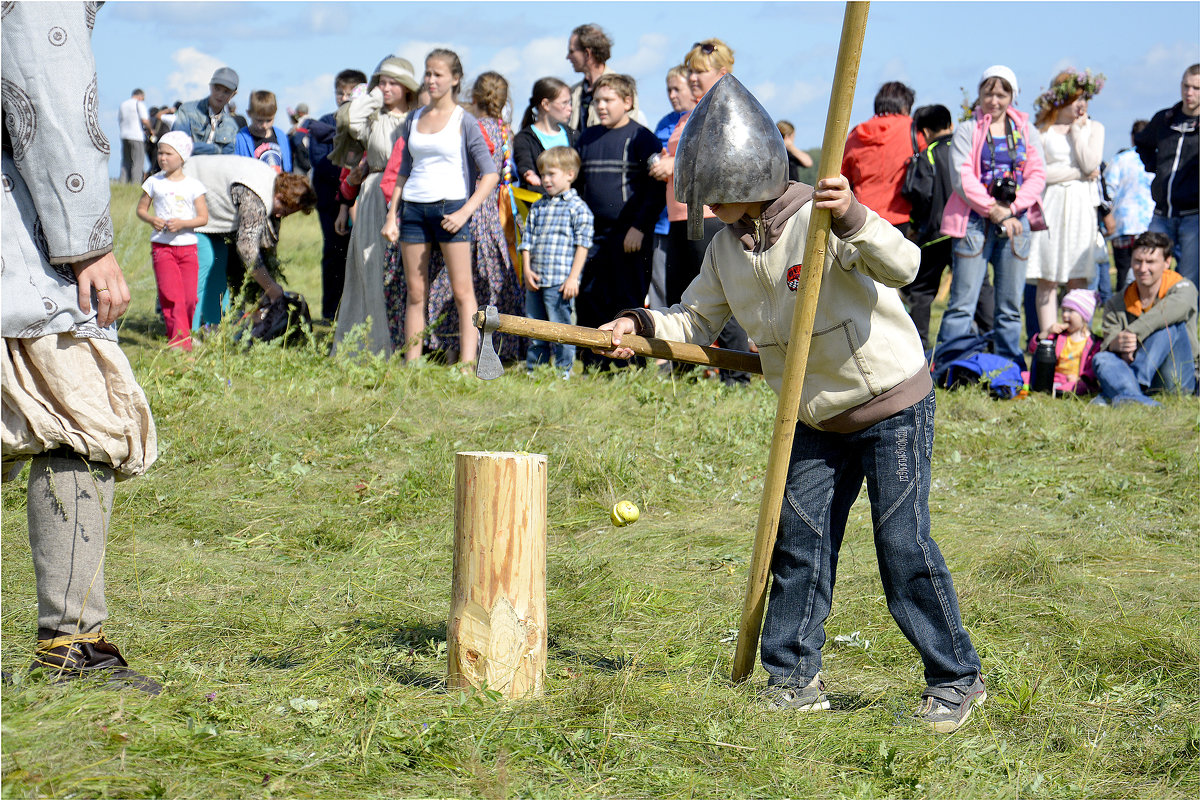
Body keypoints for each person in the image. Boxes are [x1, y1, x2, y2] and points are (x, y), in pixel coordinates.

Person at [598, 75, 985, 734]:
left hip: (889, 402)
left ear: (748, 182)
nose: (711, 210)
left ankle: (954, 677)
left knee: (901, 543)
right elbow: (693, 319)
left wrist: (856, 217)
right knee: (797, 544)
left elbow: (905, 265)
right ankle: (792, 677)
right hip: (810, 416)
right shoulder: (726, 249)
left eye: (717, 197)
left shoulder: (820, 216)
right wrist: (640, 326)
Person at [2, 0, 160, 694]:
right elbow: (47, 86)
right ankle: (71, 645)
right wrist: (88, 243)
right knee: (84, 419)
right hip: (18, 225)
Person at [381, 49, 498, 366]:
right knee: (415, 294)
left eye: (438, 74)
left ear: (455, 79)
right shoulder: (413, 118)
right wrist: (392, 215)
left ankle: (467, 364)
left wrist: (465, 212)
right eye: (427, 73)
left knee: (463, 292)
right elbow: (403, 170)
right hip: (413, 212)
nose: (430, 80)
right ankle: (412, 365)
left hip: (451, 210)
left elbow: (490, 173)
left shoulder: (466, 121)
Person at [650, 39, 751, 384]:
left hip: (709, 218)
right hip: (680, 217)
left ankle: (736, 375)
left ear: (721, 73)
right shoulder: (693, 112)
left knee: (723, 294)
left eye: (699, 71)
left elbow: (722, 162)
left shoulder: (722, 110)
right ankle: (684, 371)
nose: (692, 77)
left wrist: (673, 167)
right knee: (683, 297)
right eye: (690, 70)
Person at [935, 65, 1047, 369]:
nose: (994, 100)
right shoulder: (967, 130)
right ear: (979, 94)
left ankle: (1009, 367)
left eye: (1001, 94)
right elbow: (962, 176)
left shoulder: (1026, 130)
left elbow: (1038, 175)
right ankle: (948, 366)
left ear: (1012, 96)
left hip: (1015, 220)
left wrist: (1011, 209)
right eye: (988, 93)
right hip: (973, 220)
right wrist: (994, 210)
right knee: (962, 302)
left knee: (1010, 305)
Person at [424, 71, 524, 361]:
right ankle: (497, 347)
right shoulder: (505, 131)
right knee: (492, 281)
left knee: (456, 282)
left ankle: (455, 348)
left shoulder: (471, 127)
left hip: (468, 207)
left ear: (475, 97)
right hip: (494, 213)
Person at [575, 73, 664, 370]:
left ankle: (632, 366)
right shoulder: (586, 138)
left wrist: (639, 227)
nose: (601, 106)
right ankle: (592, 362)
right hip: (592, 236)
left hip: (629, 236)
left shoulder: (642, 138)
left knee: (627, 300)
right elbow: (576, 186)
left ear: (627, 102)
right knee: (589, 297)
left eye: (608, 100)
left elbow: (656, 189)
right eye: (597, 100)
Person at [332, 56, 418, 356]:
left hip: (413, 196)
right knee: (372, 268)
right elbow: (350, 119)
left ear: (408, 86)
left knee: (407, 274)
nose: (387, 87)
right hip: (375, 194)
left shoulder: (418, 118)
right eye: (382, 81)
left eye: (393, 82)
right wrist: (375, 96)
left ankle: (409, 344)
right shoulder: (373, 119)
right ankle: (373, 346)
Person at [900, 104, 995, 349]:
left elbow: (921, 195)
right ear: (951, 125)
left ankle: (920, 346)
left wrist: (914, 226)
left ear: (925, 132)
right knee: (979, 284)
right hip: (967, 229)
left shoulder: (929, 153)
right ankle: (990, 337)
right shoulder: (966, 148)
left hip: (935, 234)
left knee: (921, 290)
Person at [183, 155, 317, 325]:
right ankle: (186, 333)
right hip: (184, 195)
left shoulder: (271, 182)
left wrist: (264, 290)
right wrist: (271, 288)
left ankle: (215, 328)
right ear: (281, 197)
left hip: (209, 216)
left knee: (219, 260)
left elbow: (264, 245)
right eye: (284, 210)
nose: (278, 215)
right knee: (206, 262)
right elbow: (247, 248)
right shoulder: (257, 196)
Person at [1026, 69, 1106, 333]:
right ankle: (1048, 335)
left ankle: (1078, 337)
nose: (1081, 104)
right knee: (1047, 278)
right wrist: (1080, 174)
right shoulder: (1042, 132)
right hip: (1051, 206)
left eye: (1085, 98)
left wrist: (1077, 132)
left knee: (1078, 276)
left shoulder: (1094, 128)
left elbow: (1090, 162)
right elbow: (1041, 173)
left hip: (1081, 207)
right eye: (1075, 98)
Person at [1093, 231, 1197, 406]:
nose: (1142, 269)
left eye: (1150, 262)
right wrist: (1115, 344)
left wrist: (1132, 332)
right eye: (1138, 261)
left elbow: (1172, 310)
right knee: (1101, 359)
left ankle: (1126, 391)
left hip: (1177, 377)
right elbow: (1110, 343)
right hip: (1133, 374)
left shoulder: (1183, 288)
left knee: (1167, 325)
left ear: (1166, 262)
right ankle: (1139, 399)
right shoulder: (1116, 302)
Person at [520, 146, 594, 376]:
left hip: (560, 282)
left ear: (570, 174)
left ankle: (564, 372)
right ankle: (536, 371)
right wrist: (526, 270)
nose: (546, 179)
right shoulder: (538, 206)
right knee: (535, 328)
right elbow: (527, 241)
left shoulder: (578, 208)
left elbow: (583, 245)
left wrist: (574, 278)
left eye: (552, 174)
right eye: (543, 175)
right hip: (536, 278)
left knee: (562, 330)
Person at [135, 131, 209, 350]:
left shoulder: (194, 185)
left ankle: (183, 335)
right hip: (162, 247)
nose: (162, 158)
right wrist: (151, 219)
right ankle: (180, 342)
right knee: (170, 295)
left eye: (168, 153)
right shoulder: (153, 182)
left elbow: (203, 218)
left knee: (188, 299)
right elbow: (141, 210)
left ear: (182, 157)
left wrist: (183, 224)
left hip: (187, 248)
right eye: (160, 153)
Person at [307, 69, 367, 321]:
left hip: (363, 199)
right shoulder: (323, 124)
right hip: (331, 200)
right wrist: (350, 168)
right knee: (334, 252)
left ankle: (359, 311)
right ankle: (331, 311)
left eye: (349, 92)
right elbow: (322, 164)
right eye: (339, 92)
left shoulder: (367, 122)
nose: (343, 97)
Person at [1135, 64, 1199, 289]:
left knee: (1190, 279)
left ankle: (1188, 323)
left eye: (1196, 88)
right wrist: (1156, 166)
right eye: (1186, 86)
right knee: (1149, 269)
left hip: (1194, 215)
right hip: (1161, 212)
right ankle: (1154, 320)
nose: (1189, 93)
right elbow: (1142, 144)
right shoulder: (1164, 119)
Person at [842, 82, 924, 234]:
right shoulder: (913, 129)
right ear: (905, 106)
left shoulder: (856, 134)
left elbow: (842, 176)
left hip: (864, 219)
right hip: (903, 218)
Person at [648, 65, 695, 309]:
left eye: (677, 89)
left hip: (696, 217)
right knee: (664, 289)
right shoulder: (665, 123)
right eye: (669, 90)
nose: (672, 95)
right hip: (665, 219)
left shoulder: (702, 117)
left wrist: (673, 165)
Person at [1103, 121, 1155, 294]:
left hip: (1124, 224)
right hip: (1151, 223)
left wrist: (1106, 216)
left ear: (1133, 137)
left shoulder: (1120, 160)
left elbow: (1107, 190)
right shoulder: (1158, 157)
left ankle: (1122, 311)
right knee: (1150, 273)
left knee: (1124, 273)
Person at [566, 23, 647, 130]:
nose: (568, 57)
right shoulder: (573, 92)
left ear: (587, 53)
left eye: (572, 51)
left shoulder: (623, 88)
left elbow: (629, 133)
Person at [1022, 289, 1102, 395]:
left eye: (1070, 311)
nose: (1065, 315)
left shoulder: (1094, 343)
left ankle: (1058, 392)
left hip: (1074, 380)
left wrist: (1080, 378)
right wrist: (1046, 332)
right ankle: (1042, 388)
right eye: (1063, 310)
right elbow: (1033, 349)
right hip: (1052, 376)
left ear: (1084, 316)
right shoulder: (1058, 336)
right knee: (1025, 375)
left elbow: (1093, 369)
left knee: (1079, 387)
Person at [513, 77, 578, 196]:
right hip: (541, 208)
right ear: (546, 104)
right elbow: (524, 163)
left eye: (570, 103)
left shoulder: (574, 136)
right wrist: (528, 173)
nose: (570, 108)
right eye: (564, 103)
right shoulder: (524, 139)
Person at [172, 67, 240, 156]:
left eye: (226, 91)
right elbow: (179, 146)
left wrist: (195, 146)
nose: (220, 95)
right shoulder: (187, 111)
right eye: (217, 88)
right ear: (210, 86)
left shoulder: (231, 125)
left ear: (233, 94)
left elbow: (228, 158)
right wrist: (216, 149)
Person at [234, 90, 293, 173]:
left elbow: (287, 167)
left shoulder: (281, 136)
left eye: (269, 120)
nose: (264, 125)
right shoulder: (240, 139)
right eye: (259, 121)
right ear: (249, 113)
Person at [117, 88, 152, 184]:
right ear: (140, 96)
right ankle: (136, 183)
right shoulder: (139, 104)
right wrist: (151, 130)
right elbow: (145, 120)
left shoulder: (123, 105)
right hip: (136, 136)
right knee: (138, 161)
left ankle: (123, 182)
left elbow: (119, 119)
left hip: (124, 135)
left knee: (126, 161)